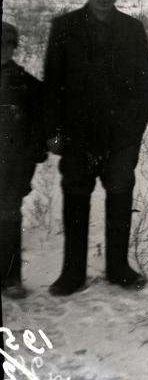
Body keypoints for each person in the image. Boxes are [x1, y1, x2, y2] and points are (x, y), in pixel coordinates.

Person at [43, 0, 148, 296]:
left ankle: (118, 268)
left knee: (119, 199)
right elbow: (52, 84)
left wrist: (132, 135)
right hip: (78, 137)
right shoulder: (64, 28)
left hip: (119, 138)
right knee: (75, 200)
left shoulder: (133, 29)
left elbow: (145, 87)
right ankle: (72, 273)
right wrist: (54, 132)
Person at [0, 22, 47, 299]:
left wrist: (31, 158)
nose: (3, 50)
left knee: (8, 219)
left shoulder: (25, 84)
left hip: (12, 168)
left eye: (8, 45)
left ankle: (11, 278)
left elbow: (38, 126)